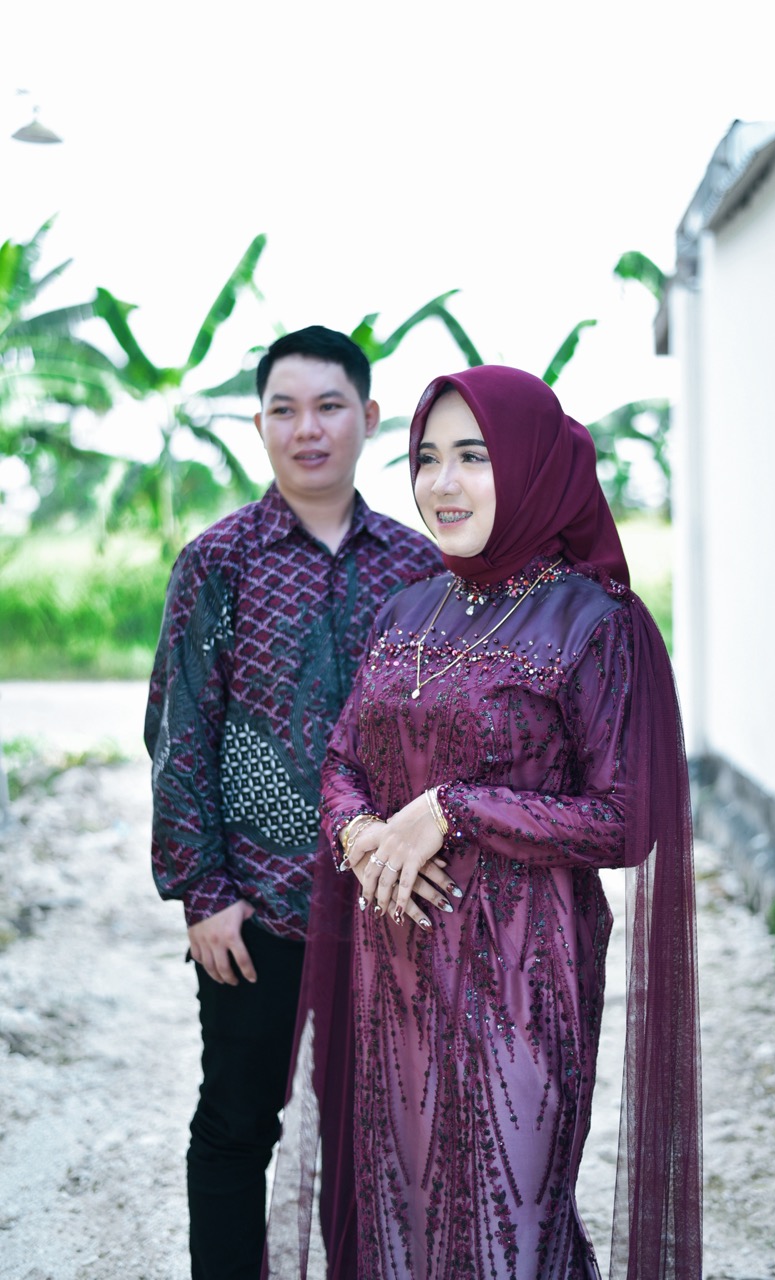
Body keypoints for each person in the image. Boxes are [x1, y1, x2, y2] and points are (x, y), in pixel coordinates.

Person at [272, 364, 702, 1280]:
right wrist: (359, 834)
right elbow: (343, 759)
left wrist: (451, 809)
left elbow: (627, 820)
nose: (443, 483)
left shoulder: (593, 622)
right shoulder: (407, 608)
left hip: (524, 971)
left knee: (515, 1227)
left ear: (533, 464)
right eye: (427, 458)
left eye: (473, 456)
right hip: (395, 965)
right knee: (407, 1219)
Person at [143, 325, 443, 1280]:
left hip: (390, 907)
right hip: (255, 909)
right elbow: (178, 732)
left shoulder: (421, 570)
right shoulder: (217, 563)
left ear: (369, 418)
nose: (306, 429)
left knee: (381, 1138)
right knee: (236, 1127)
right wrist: (202, 893)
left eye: (328, 407)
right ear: (260, 424)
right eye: (284, 409)